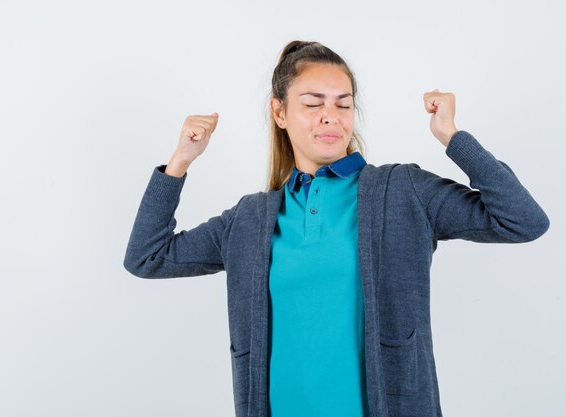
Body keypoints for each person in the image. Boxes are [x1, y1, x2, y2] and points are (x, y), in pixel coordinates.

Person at [123, 40, 550, 417]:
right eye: (313, 103)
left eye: (343, 104)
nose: (331, 117)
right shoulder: (248, 220)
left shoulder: (402, 191)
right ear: (280, 112)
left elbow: (522, 221)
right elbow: (147, 257)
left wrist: (452, 136)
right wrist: (179, 163)